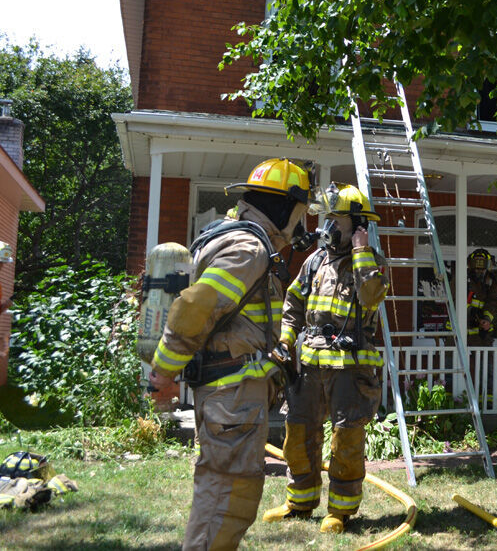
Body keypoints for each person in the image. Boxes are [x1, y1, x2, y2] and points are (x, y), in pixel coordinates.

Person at [147, 158, 315, 551]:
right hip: (233, 398)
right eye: (300, 213)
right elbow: (195, 309)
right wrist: (164, 374)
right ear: (285, 206)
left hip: (229, 397)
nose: (301, 224)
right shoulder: (249, 247)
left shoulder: (231, 236)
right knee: (228, 497)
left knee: (222, 491)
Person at [262, 184, 388, 534]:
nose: (328, 224)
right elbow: (293, 307)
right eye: (327, 217)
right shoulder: (314, 261)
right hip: (308, 365)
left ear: (358, 225)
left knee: (346, 440)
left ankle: (340, 511)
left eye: (337, 218)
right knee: (298, 433)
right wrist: (286, 340)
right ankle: (299, 502)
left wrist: (362, 253)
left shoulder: (373, 263)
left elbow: (371, 296)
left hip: (350, 368)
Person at [463, 248, 497, 347]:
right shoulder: (461, 278)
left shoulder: (491, 282)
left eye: (482, 265)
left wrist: (487, 319)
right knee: (452, 362)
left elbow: (493, 302)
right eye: (476, 265)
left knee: (485, 361)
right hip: (458, 336)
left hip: (482, 337)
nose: (479, 270)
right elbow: (454, 300)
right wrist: (471, 312)